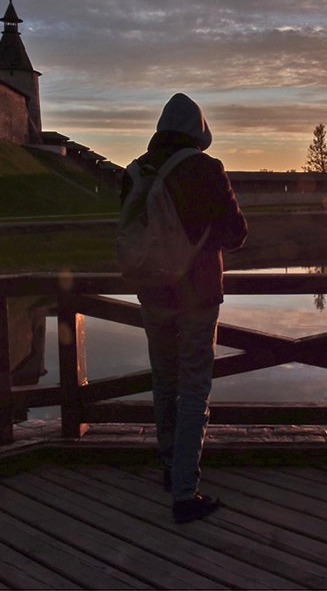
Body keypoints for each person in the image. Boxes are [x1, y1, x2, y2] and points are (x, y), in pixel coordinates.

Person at [120, 93, 247, 524]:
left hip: (152, 293)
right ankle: (185, 492)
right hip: (197, 296)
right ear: (198, 132)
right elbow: (237, 233)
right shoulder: (205, 169)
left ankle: (168, 467)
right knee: (194, 390)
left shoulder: (136, 170)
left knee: (164, 382)